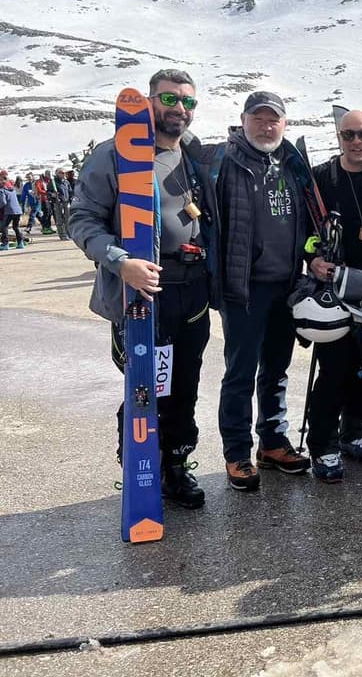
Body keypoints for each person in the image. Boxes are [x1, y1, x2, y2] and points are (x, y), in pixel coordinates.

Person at [68, 68, 217, 509]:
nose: (179, 109)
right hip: (139, 295)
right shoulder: (115, 155)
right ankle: (139, 463)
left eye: (187, 102)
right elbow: (81, 220)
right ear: (150, 100)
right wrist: (121, 262)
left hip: (190, 293)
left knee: (184, 384)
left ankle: (175, 463)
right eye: (169, 99)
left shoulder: (192, 153)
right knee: (146, 385)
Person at [214, 91, 315, 491]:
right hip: (244, 288)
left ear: (284, 124)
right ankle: (237, 451)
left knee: (276, 370)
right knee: (240, 372)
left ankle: (271, 442)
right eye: (258, 118)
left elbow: (306, 222)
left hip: (286, 286)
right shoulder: (225, 161)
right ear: (243, 120)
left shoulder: (292, 165)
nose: (266, 125)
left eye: (274, 119)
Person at [303, 110, 362, 481]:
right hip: (336, 280)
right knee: (335, 365)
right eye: (349, 135)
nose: (357, 142)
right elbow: (304, 228)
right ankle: (322, 444)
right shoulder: (324, 176)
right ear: (339, 137)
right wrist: (312, 259)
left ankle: (354, 431)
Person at [0, 174, 25, 250]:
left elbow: (3, 202)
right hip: (18, 210)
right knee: (16, 227)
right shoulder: (12, 190)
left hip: (9, 211)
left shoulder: (2, 190)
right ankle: (20, 243)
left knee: (4, 227)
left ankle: (5, 244)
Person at [52, 168, 72, 240]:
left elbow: (70, 191)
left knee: (68, 219)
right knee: (60, 219)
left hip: (66, 202)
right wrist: (52, 194)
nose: (63, 174)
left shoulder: (66, 182)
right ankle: (62, 235)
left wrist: (71, 199)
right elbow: (48, 192)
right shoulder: (53, 182)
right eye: (61, 173)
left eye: (64, 173)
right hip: (58, 203)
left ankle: (69, 234)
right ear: (57, 173)